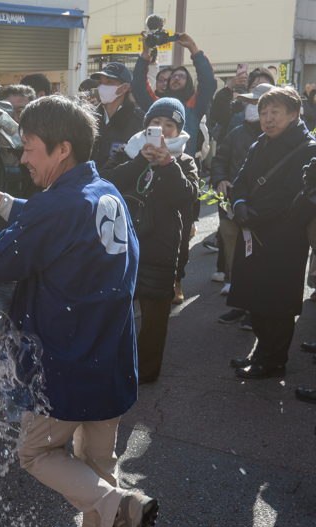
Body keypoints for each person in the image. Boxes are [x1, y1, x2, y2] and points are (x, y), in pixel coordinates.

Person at [0, 95, 158, 527]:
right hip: (109, 354)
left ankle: (122, 507)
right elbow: (50, 220)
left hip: (65, 358)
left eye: (29, 148)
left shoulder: (58, 205)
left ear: (61, 148)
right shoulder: (102, 190)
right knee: (97, 463)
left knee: (38, 456)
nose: (23, 158)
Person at [101, 98, 199, 383]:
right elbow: (106, 183)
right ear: (146, 127)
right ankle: (113, 366)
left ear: (178, 131)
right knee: (116, 312)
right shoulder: (125, 152)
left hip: (162, 247)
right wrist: (139, 161)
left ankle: (145, 373)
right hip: (121, 244)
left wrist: (167, 163)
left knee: (155, 319)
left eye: (170, 125)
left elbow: (188, 197)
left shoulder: (183, 161)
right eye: (156, 123)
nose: (162, 129)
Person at [226, 87, 316, 379]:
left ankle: (273, 360)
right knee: (256, 296)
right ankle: (262, 352)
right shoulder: (260, 143)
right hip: (253, 230)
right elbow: (240, 179)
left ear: (293, 113)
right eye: (263, 113)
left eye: (275, 112)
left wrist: (253, 213)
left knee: (276, 301)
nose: (267, 119)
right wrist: (238, 203)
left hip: (284, 236)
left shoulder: (307, 147)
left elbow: (292, 193)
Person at [211, 81, 271, 320]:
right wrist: (221, 180)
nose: (252, 107)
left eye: (258, 104)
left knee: (261, 260)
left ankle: (256, 311)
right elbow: (219, 160)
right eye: (249, 103)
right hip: (231, 208)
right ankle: (240, 304)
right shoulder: (235, 133)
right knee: (234, 256)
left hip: (263, 212)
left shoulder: (277, 138)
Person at [132, 33, 217, 157]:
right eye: (173, 76)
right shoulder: (156, 105)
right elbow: (139, 87)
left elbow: (208, 83)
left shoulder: (194, 107)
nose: (176, 79)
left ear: (188, 82)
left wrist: (193, 49)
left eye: (181, 76)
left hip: (184, 168)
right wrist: (145, 52)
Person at [89, 62, 145, 172]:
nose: (103, 87)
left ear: (125, 88)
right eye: (100, 82)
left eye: (109, 82)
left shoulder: (140, 122)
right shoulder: (89, 117)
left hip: (120, 187)